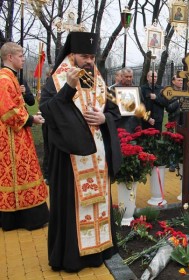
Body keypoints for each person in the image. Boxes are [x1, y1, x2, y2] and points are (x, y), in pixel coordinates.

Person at [39, 31, 122, 272]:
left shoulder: (99, 80)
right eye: (85, 56)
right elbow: (48, 112)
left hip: (98, 156)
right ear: (72, 55)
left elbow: (115, 111)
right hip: (70, 159)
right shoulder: (56, 80)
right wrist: (68, 88)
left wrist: (104, 118)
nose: (89, 61)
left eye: (92, 57)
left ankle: (99, 250)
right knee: (73, 206)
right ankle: (73, 257)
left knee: (99, 204)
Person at [0, 42, 49, 231]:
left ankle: (18, 217)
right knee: (19, 172)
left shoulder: (10, 77)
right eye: (20, 56)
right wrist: (30, 119)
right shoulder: (4, 79)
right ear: (10, 57)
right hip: (12, 136)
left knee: (21, 172)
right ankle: (27, 218)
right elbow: (7, 110)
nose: (23, 59)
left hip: (18, 133)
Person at [114, 68, 141, 132]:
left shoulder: (137, 89)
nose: (129, 79)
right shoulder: (114, 89)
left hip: (134, 123)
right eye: (126, 77)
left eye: (130, 76)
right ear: (122, 76)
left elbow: (142, 103)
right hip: (120, 123)